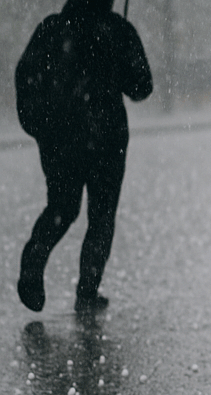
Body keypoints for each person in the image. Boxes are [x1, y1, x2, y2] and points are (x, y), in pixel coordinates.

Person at [15, 0, 152, 313]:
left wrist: (40, 125)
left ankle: (33, 266)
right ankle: (88, 289)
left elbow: (26, 77)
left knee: (62, 208)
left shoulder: (52, 28)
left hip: (61, 140)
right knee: (101, 216)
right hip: (108, 139)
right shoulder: (118, 31)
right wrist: (121, 67)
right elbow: (142, 87)